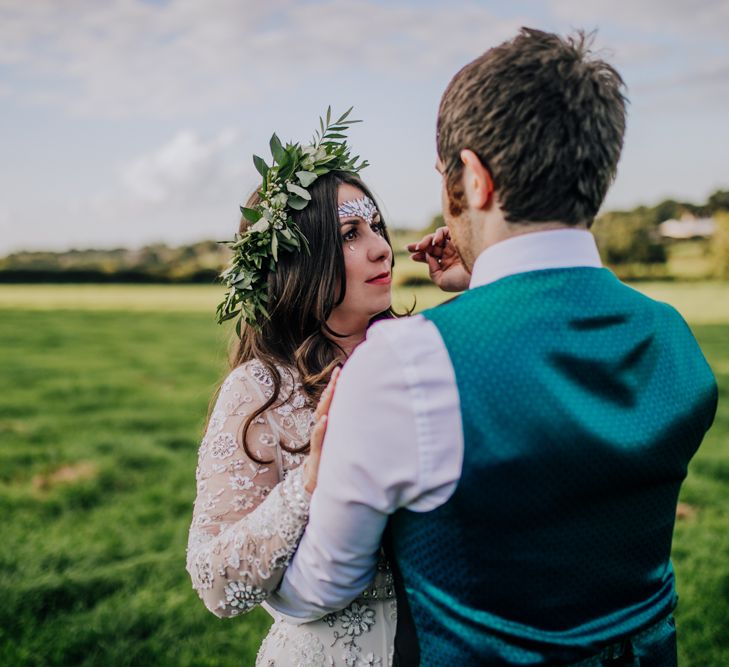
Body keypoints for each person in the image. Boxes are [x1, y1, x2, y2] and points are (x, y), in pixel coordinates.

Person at [267, 28, 719, 666]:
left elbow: (323, 585)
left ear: (474, 179)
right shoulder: (673, 338)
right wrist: (484, 277)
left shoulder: (406, 362)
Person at [186, 111, 399, 666]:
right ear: (299, 261)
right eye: (351, 235)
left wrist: (472, 278)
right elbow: (213, 582)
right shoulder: (259, 391)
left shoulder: (415, 352)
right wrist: (307, 484)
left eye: (376, 227)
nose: (382, 249)